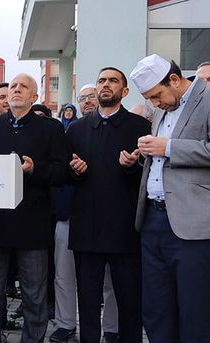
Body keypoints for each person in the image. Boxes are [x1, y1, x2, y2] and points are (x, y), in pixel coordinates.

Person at [67, 67, 150, 343]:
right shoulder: (77, 129)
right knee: (88, 303)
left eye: (113, 81)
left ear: (124, 92)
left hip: (124, 230)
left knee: (129, 302)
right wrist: (75, 171)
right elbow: (65, 174)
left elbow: (150, 177)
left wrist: (132, 166)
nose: (105, 85)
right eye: (102, 80)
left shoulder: (140, 128)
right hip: (86, 230)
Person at [131, 54, 210, 343]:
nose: (155, 104)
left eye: (157, 95)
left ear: (174, 81)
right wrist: (140, 158)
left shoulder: (208, 98)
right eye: (150, 99)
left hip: (193, 226)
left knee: (195, 309)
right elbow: (162, 161)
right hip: (152, 220)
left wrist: (169, 147)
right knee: (156, 309)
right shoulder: (165, 108)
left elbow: (172, 149)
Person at [0, 73, 70, 343]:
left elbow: (62, 173)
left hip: (33, 222)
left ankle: (32, 340)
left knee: (34, 294)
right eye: (13, 86)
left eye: (24, 87)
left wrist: (36, 170)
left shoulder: (51, 129)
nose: (16, 90)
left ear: (35, 97)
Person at [51, 83, 120, 343]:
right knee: (64, 274)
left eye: (92, 96)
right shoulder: (71, 132)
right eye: (83, 98)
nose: (88, 101)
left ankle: (112, 328)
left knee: (110, 279)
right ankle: (65, 323)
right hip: (70, 213)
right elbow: (58, 170)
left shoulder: (117, 129)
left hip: (109, 217)